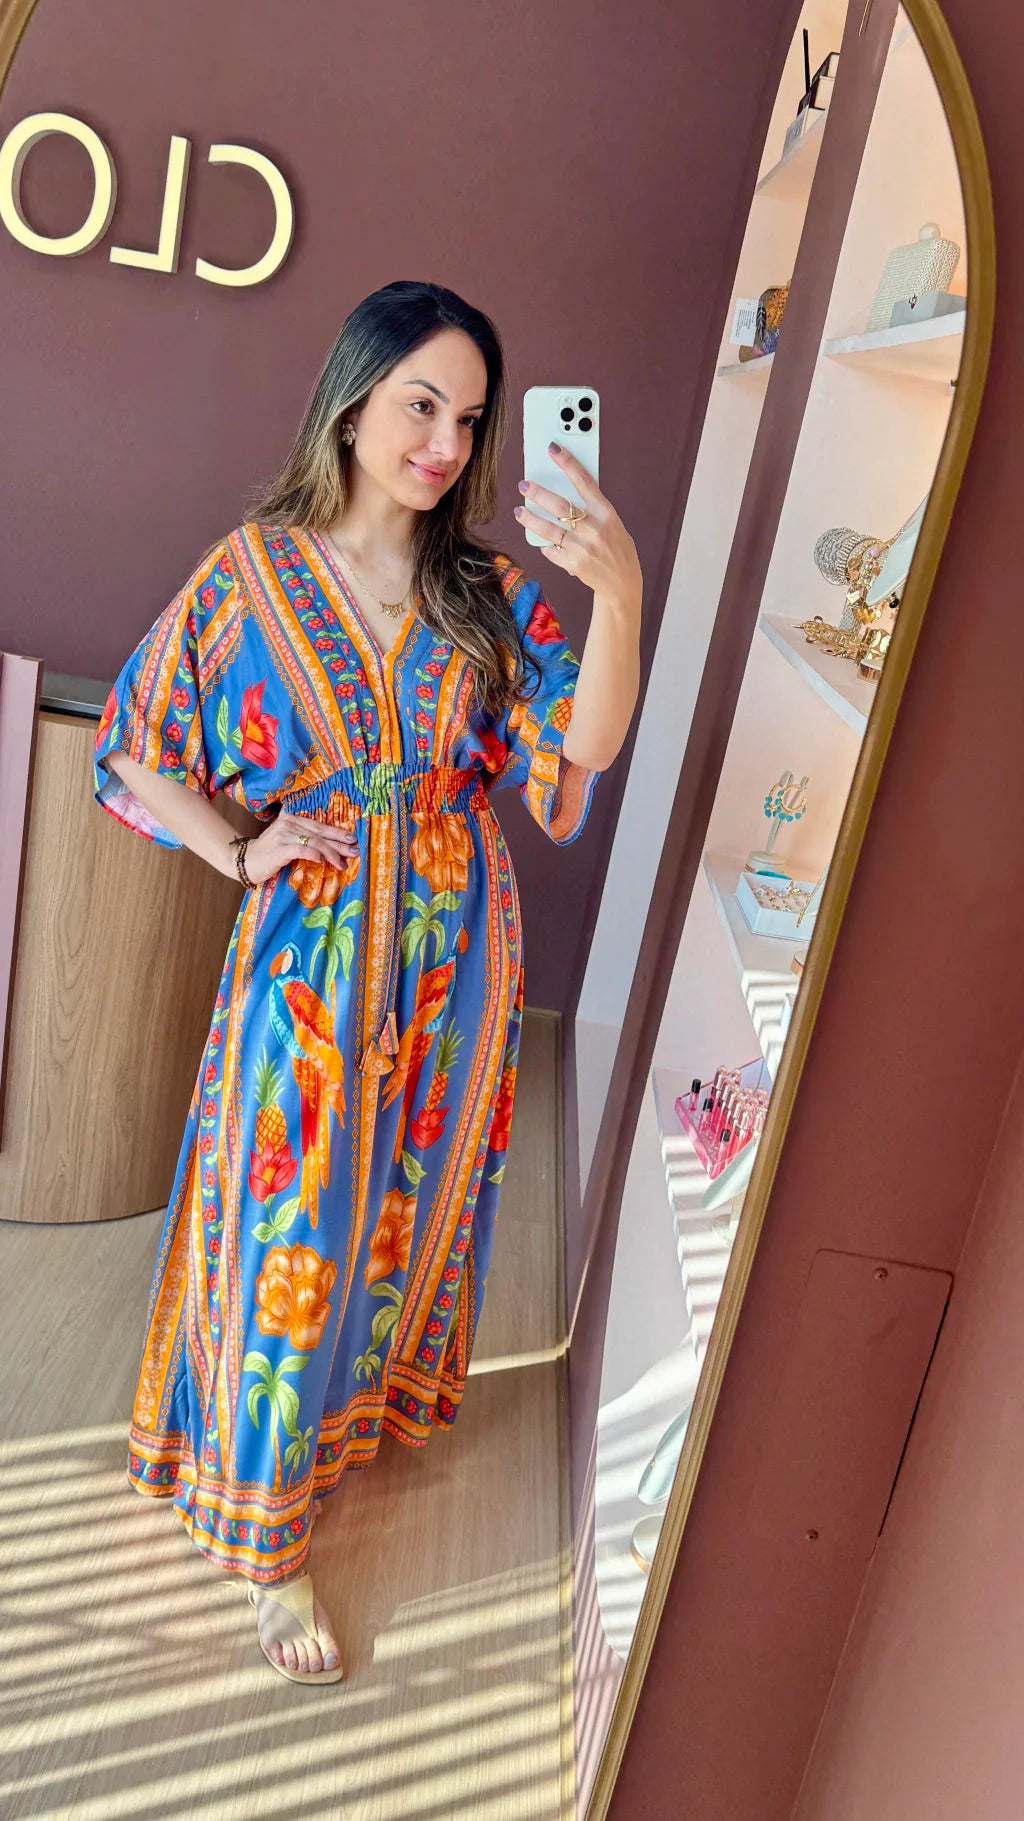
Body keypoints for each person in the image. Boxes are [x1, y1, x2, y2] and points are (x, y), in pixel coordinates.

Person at [93, 279, 642, 1685]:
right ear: (352, 402)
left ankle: (350, 1424)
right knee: (287, 1212)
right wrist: (242, 846)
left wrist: (622, 590)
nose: (446, 444)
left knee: (402, 1201)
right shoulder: (252, 575)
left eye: (470, 419)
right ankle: (268, 1542)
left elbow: (580, 749)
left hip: (458, 956)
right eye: (420, 405)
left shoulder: (487, 595)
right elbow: (136, 739)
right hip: (313, 955)